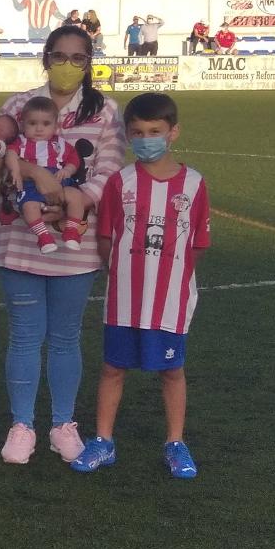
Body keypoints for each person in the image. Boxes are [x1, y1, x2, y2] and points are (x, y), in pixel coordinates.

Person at [0, 26, 126, 466]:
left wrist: (73, 200)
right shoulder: (18, 105)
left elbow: (109, 170)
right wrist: (31, 175)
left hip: (76, 241)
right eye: (60, 56)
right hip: (18, 239)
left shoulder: (105, 110)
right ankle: (22, 425)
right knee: (25, 337)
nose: (67, 65)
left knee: (66, 337)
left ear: (89, 62)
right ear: (45, 58)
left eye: (77, 58)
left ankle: (63, 424)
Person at [72, 93, 208, 479]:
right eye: (138, 132)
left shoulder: (195, 184)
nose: (146, 138)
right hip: (124, 298)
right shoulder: (120, 181)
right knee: (114, 368)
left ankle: (175, 443)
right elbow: (105, 237)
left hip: (170, 300)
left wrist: (167, 276)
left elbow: (196, 243)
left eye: (155, 131)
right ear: (128, 136)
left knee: (172, 371)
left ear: (173, 133)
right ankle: (103, 441)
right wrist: (124, 272)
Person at [4, 97, 86, 253]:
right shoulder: (20, 142)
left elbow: (74, 159)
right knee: (29, 207)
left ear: (56, 126)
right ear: (23, 124)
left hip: (58, 181)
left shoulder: (60, 143)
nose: (39, 129)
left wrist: (67, 170)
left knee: (76, 196)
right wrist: (15, 170)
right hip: (30, 184)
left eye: (46, 124)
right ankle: (44, 237)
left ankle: (71, 231)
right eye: (33, 123)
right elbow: (10, 154)